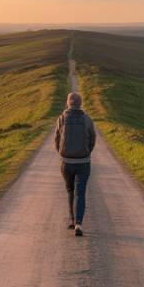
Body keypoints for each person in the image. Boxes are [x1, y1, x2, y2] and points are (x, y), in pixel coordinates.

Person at [54, 91, 96, 237]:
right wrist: (86, 152)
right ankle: (79, 223)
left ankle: (71, 220)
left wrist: (62, 153)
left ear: (68, 103)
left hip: (66, 162)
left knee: (70, 190)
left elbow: (56, 139)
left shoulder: (61, 119)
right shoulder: (87, 119)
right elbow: (92, 139)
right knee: (81, 192)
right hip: (83, 162)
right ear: (80, 103)